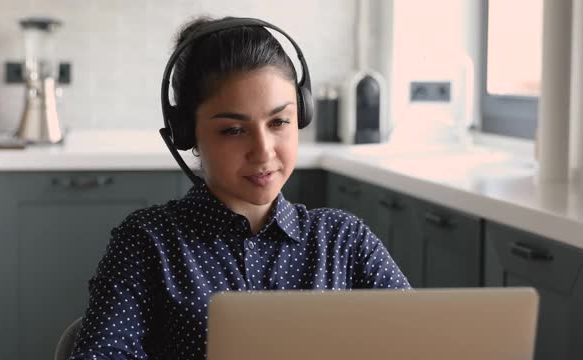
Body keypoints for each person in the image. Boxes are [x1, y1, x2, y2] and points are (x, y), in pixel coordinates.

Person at [70, 15, 410, 360]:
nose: (263, 151)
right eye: (233, 130)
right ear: (188, 134)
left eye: (279, 122)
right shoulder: (147, 243)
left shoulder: (345, 241)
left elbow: (420, 341)